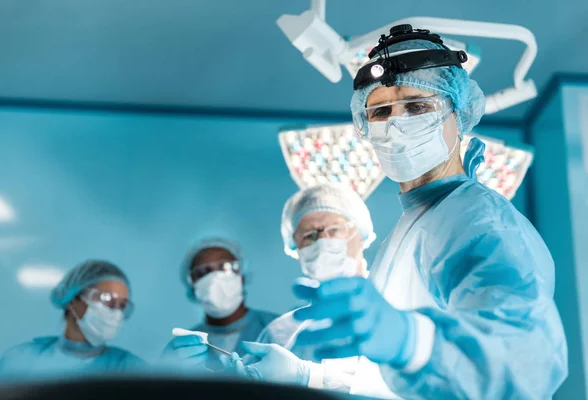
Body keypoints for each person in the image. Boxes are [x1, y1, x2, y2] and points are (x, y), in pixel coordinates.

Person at [242, 26, 568, 399]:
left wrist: (411, 340)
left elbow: (527, 362)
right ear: (365, 126)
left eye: (417, 106)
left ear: (458, 115)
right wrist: (308, 377)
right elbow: (383, 382)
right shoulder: (413, 225)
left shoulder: (477, 220)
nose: (396, 125)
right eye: (381, 111)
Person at [243, 183, 378, 392]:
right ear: (296, 249)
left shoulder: (395, 306)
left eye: (334, 229)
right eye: (309, 236)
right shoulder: (281, 333)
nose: (323, 240)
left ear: (360, 234)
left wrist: (309, 376)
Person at [0, 260, 143, 380]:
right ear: (72, 301)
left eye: (123, 305)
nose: (115, 311)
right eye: (107, 299)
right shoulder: (20, 360)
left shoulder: (131, 369)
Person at [161, 238, 278, 370]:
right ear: (192, 286)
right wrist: (166, 372)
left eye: (225, 267)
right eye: (203, 272)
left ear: (242, 277)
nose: (215, 277)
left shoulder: (278, 328)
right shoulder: (185, 346)